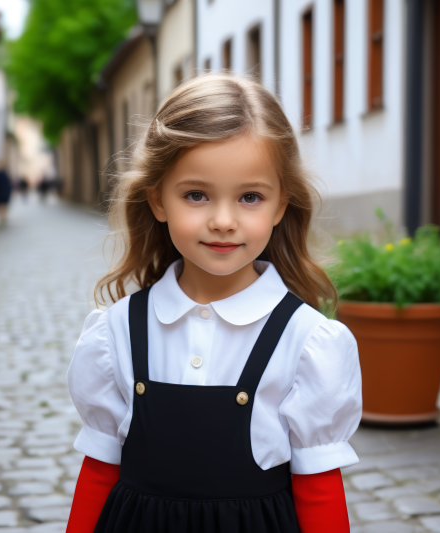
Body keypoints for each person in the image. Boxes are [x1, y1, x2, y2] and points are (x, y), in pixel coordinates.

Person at [65, 74, 361, 533]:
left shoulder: (305, 342)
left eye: (250, 197)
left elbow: (319, 489)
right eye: (196, 195)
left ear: (281, 204)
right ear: (157, 199)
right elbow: (101, 472)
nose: (223, 221)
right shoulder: (118, 331)